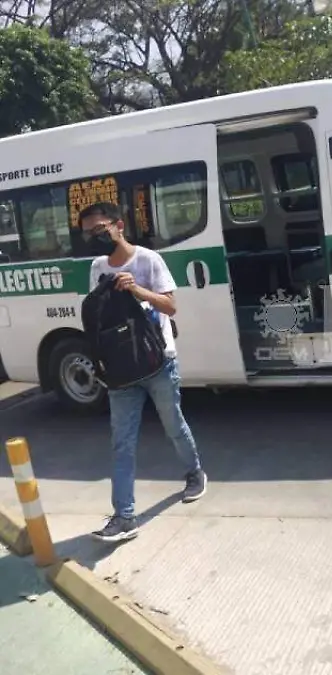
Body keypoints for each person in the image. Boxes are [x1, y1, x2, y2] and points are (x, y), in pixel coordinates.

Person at [80, 202, 207, 542]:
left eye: (100, 229)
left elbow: (170, 305)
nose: (95, 237)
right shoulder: (96, 266)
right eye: (88, 233)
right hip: (120, 370)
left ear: (119, 226)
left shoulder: (148, 259)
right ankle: (124, 517)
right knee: (122, 444)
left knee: (173, 424)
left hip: (157, 361)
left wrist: (135, 288)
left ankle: (194, 472)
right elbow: (98, 314)